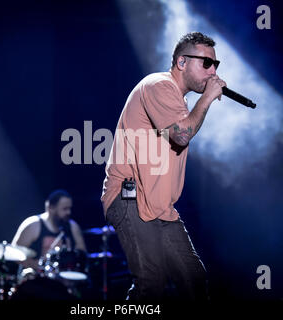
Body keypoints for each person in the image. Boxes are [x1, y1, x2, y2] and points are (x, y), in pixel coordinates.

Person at [101, 32, 226, 301]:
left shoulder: (177, 99)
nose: (213, 71)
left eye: (216, 65)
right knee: (150, 282)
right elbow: (182, 134)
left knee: (193, 278)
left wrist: (201, 101)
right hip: (129, 197)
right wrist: (206, 100)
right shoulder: (158, 85)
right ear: (182, 62)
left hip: (160, 206)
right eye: (206, 63)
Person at [12, 189, 87, 271]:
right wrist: (39, 266)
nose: (68, 212)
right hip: (37, 278)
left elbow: (82, 254)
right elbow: (14, 253)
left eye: (70, 208)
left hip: (65, 278)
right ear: (50, 207)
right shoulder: (33, 225)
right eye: (65, 209)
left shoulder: (73, 227)